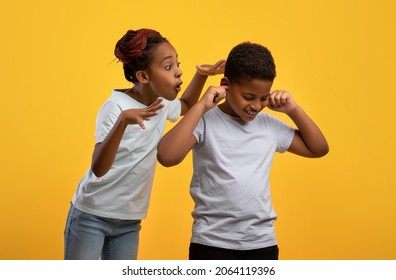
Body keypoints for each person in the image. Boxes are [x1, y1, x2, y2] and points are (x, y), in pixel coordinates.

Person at [157, 42, 329, 260]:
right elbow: (166, 156)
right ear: (225, 85)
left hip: (262, 243)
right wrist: (200, 107)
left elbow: (318, 148)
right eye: (249, 97)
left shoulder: (268, 125)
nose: (256, 106)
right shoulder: (205, 121)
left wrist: (294, 110)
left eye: (264, 98)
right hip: (211, 243)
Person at [64, 28, 225, 260]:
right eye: (169, 67)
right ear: (143, 77)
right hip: (91, 215)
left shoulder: (160, 103)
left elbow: (187, 105)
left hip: (129, 220)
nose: (179, 72)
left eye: (178, 64)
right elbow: (98, 168)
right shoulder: (116, 107)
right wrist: (123, 121)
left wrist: (202, 74)